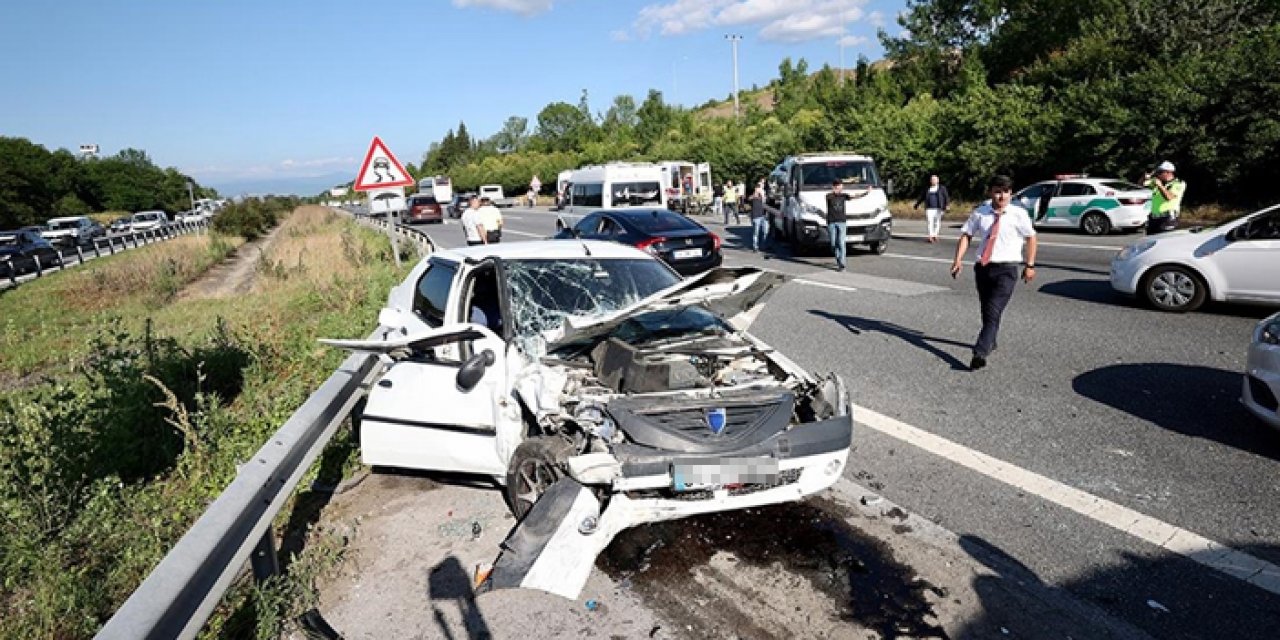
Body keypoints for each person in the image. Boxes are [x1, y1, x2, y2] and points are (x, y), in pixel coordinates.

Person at [949, 175, 1038, 371]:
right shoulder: (981, 213)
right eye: (998, 191)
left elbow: (1031, 238)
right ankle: (991, 340)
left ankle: (979, 352)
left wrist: (1029, 265)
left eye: (1006, 192)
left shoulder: (1018, 214)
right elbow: (966, 235)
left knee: (994, 310)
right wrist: (958, 260)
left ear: (1011, 193)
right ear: (991, 192)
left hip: (1006, 269)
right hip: (983, 268)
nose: (1001, 196)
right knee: (987, 309)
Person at [1143, 161, 1186, 234]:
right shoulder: (1157, 182)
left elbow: (1169, 197)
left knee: (1164, 242)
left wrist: (1160, 186)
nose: (1158, 174)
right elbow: (1141, 184)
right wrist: (1146, 176)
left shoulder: (1178, 183)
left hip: (1167, 219)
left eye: (1160, 172)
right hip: (1154, 219)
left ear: (1169, 172)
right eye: (1158, 172)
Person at [826, 179, 857, 271]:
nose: (840, 188)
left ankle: (842, 263)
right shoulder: (829, 196)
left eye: (841, 186)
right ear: (834, 187)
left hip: (842, 222)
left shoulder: (844, 196)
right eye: (838, 186)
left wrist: (867, 192)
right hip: (831, 222)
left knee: (841, 242)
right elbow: (829, 197)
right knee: (833, 243)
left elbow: (855, 197)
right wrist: (834, 192)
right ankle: (838, 258)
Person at [913, 174, 951, 243]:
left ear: (938, 180)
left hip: (938, 208)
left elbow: (946, 197)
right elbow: (922, 197)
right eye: (932, 179)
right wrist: (917, 204)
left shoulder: (942, 188)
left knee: (937, 222)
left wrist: (947, 205)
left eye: (935, 179)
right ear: (930, 181)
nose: (933, 181)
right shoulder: (927, 188)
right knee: (930, 222)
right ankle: (930, 236)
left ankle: (935, 235)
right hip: (929, 208)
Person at [749, 183, 768, 252]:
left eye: (759, 189)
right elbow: (750, 198)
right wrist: (755, 194)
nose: (758, 191)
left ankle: (763, 246)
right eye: (757, 189)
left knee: (765, 232)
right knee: (756, 232)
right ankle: (755, 247)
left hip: (763, 216)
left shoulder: (762, 197)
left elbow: (765, 202)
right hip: (756, 216)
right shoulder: (753, 197)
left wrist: (762, 195)